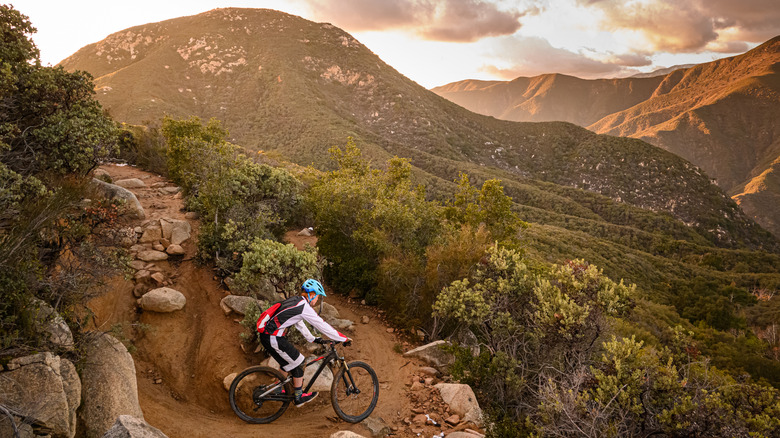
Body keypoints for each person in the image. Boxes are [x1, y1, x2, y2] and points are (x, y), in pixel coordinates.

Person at [256, 278, 351, 407]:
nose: (317, 300)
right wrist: (342, 338)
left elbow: (298, 322)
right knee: (300, 362)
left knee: (288, 362)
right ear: (312, 295)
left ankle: (278, 389)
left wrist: (312, 338)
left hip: (270, 337)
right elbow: (321, 324)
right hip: (273, 338)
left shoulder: (297, 302)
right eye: (318, 297)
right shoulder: (304, 307)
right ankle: (298, 397)